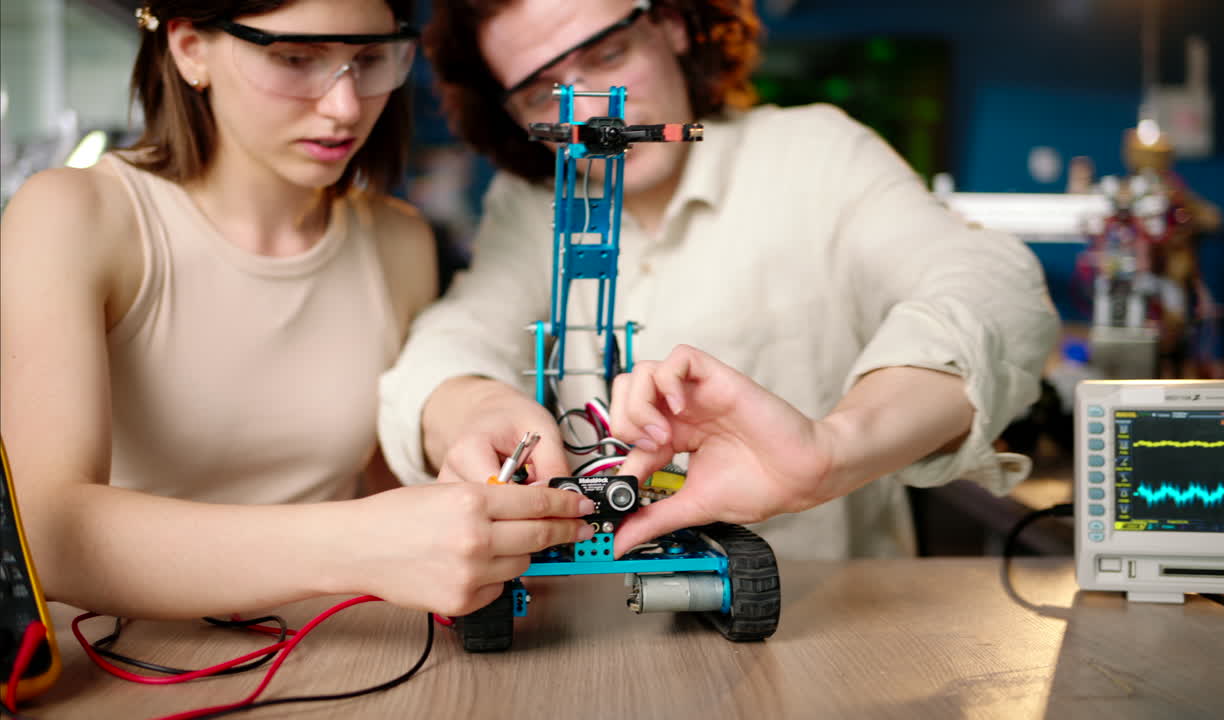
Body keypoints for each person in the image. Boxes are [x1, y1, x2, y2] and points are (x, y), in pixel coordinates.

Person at [378, 0, 1061, 560]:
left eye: (609, 54)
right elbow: (453, 339)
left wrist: (833, 449)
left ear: (673, 23)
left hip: (825, 644)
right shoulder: (528, 206)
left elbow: (991, 289)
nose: (592, 115)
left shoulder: (816, 155)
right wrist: (471, 412)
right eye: (541, 90)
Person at [0, 0, 597, 621]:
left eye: (369, 60)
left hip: (339, 645)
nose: (345, 107)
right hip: (126, 663)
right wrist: (361, 544)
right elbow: (46, 532)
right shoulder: (73, 215)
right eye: (294, 59)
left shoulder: (397, 240)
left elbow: (390, 492)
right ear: (189, 49)